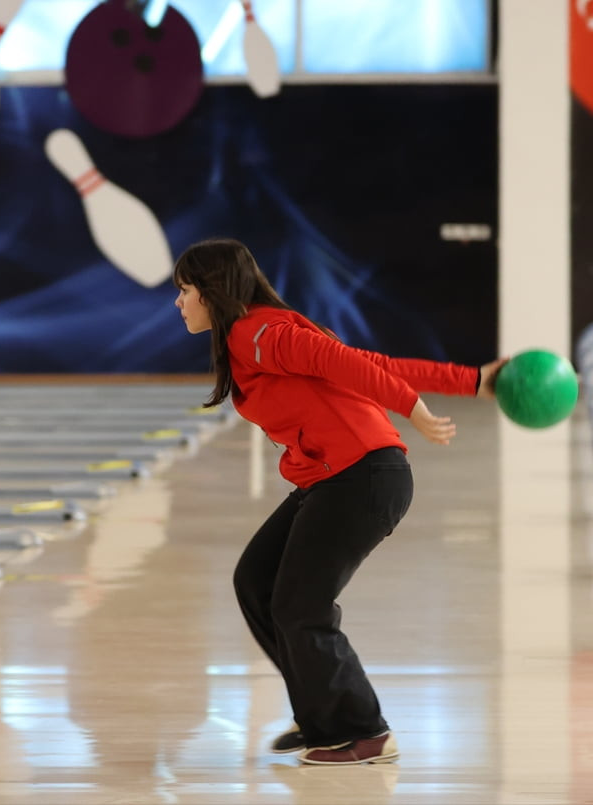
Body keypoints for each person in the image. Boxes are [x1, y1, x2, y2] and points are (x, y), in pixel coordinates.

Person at [172, 238, 506, 766]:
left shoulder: (257, 332)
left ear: (212, 293)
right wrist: (472, 380)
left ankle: (362, 732)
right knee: (257, 582)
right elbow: (372, 361)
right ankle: (321, 716)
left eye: (186, 290)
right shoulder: (260, 331)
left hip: (362, 476)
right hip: (336, 477)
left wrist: (412, 408)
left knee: (300, 605)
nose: (180, 302)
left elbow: (347, 362)